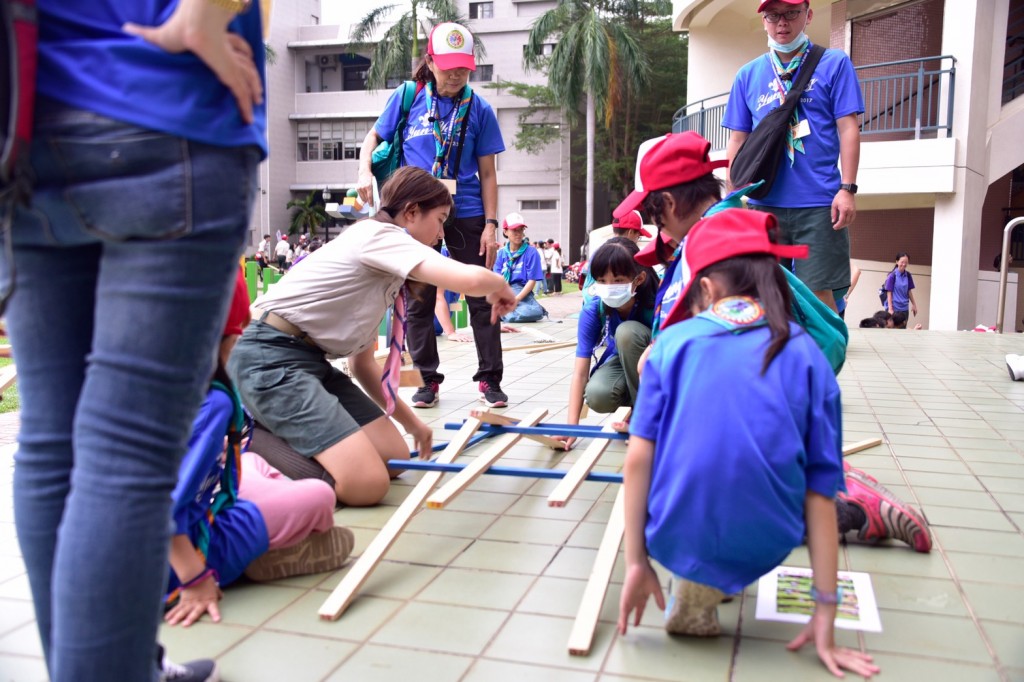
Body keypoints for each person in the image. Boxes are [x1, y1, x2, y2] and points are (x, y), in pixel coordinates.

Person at [0, 0, 267, 679]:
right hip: (163, 99)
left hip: (23, 115)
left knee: (51, 438)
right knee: (126, 457)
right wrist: (203, 15)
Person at [618, 209, 881, 678]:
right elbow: (819, 494)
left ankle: (698, 575)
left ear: (706, 288)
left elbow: (638, 459)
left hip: (672, 533)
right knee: (806, 478)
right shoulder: (806, 356)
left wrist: (637, 560)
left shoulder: (671, 346)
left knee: (677, 457)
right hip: (770, 538)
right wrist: (825, 610)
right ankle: (855, 514)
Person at [228, 167, 517, 506]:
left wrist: (413, 425)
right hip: (267, 356)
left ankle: (287, 430)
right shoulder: (379, 236)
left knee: (395, 458)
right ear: (410, 212)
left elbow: (362, 365)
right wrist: (499, 285)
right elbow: (466, 280)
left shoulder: (384, 271)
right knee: (366, 485)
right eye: (439, 220)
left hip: (308, 362)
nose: (441, 233)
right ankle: (243, 436)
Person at [165, 270, 354, 628]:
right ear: (235, 328)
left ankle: (272, 523)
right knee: (318, 495)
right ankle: (278, 546)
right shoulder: (212, 401)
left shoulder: (146, 380)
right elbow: (160, 505)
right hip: (187, 551)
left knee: (249, 460)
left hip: (131, 546)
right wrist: (194, 580)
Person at [357, 21, 508, 411]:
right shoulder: (408, 97)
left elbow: (489, 173)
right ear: (430, 61)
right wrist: (362, 171)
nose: (456, 74)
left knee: (481, 294)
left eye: (463, 67)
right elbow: (373, 138)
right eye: (448, 66)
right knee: (418, 297)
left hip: (468, 209)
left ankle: (490, 379)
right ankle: (427, 379)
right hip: (417, 212)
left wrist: (492, 225)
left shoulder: (479, 109)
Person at [723, 0, 864, 313]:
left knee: (819, 300)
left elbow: (848, 128)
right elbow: (737, 139)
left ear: (808, 15)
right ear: (764, 21)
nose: (781, 23)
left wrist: (848, 188)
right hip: (763, 205)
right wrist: (734, 195)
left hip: (819, 205)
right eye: (773, 16)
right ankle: (773, 362)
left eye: (790, 14)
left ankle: (823, 363)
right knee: (762, 298)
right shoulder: (748, 74)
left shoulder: (834, 63)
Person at [556, 239, 657, 450]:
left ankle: (647, 419)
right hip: (624, 359)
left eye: (618, 280)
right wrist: (571, 427)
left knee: (627, 333)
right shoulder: (594, 309)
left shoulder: (656, 302)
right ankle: (633, 408)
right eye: (602, 280)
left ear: (638, 279)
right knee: (597, 395)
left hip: (659, 363)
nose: (609, 288)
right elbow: (580, 373)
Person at [492, 212, 547, 327]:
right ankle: (506, 313)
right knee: (483, 305)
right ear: (505, 231)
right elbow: (497, 280)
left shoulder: (531, 252)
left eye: (521, 230)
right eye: (514, 230)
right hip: (504, 291)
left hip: (523, 293)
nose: (518, 234)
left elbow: (532, 280)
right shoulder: (501, 253)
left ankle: (506, 314)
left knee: (532, 312)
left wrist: (516, 299)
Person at [883, 252, 917, 325]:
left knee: (903, 331)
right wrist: (890, 309)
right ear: (897, 262)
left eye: (906, 262)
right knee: (892, 332)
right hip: (894, 308)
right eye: (902, 262)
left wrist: (914, 305)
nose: (904, 264)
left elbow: (909, 291)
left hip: (904, 309)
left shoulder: (908, 275)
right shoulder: (892, 276)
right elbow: (889, 293)